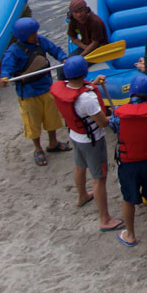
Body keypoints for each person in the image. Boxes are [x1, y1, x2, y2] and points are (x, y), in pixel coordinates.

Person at [49, 56, 122, 233]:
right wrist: (116, 116)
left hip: (76, 135)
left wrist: (94, 84)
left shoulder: (63, 88)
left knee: (79, 166)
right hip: (92, 140)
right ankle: (105, 219)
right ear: (84, 72)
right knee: (99, 178)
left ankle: (82, 195)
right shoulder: (87, 99)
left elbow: (79, 89)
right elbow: (102, 123)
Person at [111, 74, 147, 247]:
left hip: (128, 162)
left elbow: (113, 126)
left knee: (128, 198)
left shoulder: (119, 113)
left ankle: (130, 235)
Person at [0, 17, 67, 165]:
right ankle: (37, 148)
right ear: (23, 35)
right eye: (32, 33)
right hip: (28, 94)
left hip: (46, 87)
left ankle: (53, 143)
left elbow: (55, 50)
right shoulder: (13, 51)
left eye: (35, 32)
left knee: (52, 118)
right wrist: (4, 77)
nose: (35, 35)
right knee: (33, 123)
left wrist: (63, 59)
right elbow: (7, 67)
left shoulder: (41, 41)